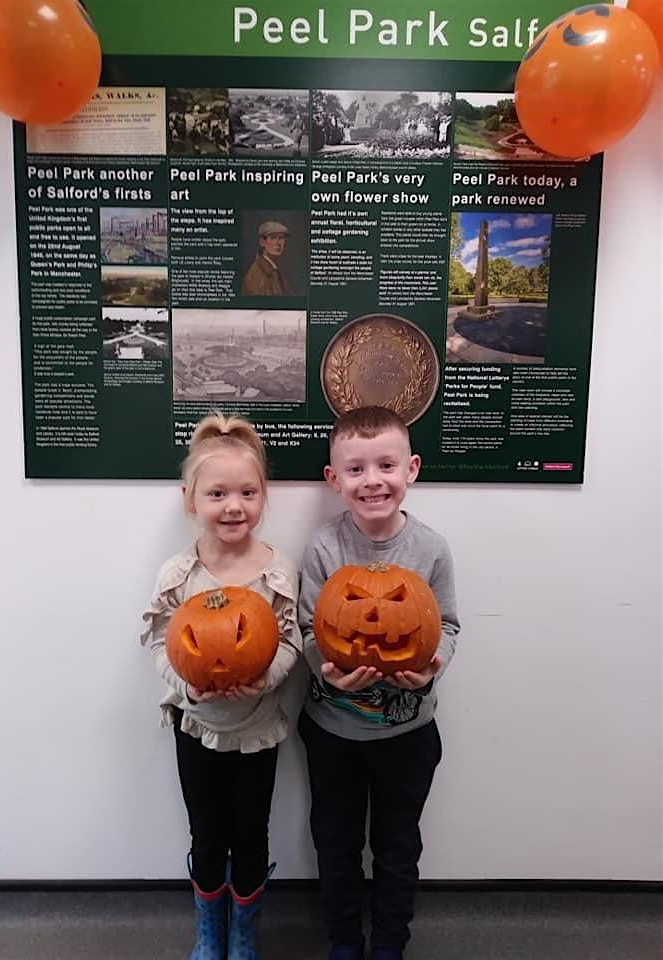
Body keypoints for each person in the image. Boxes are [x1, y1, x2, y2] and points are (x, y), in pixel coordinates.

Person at [298, 406, 461, 960]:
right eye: (356, 469)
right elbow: (308, 628)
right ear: (334, 479)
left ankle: (390, 943)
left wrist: (433, 663)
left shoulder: (431, 550)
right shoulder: (323, 549)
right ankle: (345, 941)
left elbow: (450, 625)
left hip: (409, 734)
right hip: (333, 732)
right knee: (336, 843)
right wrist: (326, 665)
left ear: (411, 469)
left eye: (386, 465)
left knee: (397, 846)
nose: (373, 481)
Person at [141, 412, 302, 960]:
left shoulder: (277, 573)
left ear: (263, 497)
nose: (233, 506)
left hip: (257, 730)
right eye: (217, 493)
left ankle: (243, 933)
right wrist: (189, 688)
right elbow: (160, 646)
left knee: (252, 835)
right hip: (197, 728)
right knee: (206, 836)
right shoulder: (178, 576)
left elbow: (292, 642)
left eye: (247, 492)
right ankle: (209, 931)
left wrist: (262, 678)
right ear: (191, 499)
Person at [241, 221, 293, 296]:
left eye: (281, 238)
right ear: (262, 242)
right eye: (273, 237)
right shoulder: (256, 275)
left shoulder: (277, 270)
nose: (278, 243)